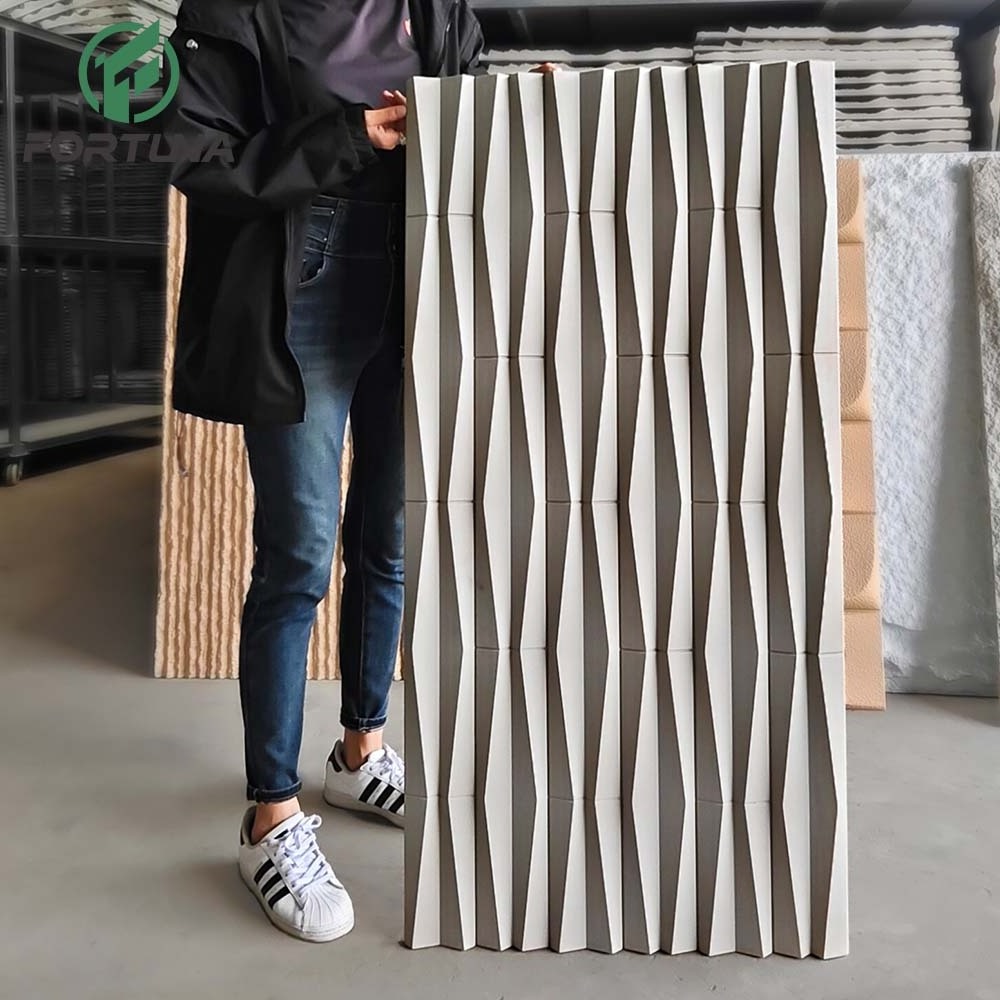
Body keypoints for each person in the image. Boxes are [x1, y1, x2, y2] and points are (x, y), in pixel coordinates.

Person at [162, 0, 484, 944]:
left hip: (419, 275)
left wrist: (522, 117)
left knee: (388, 535)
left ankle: (359, 752)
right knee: (298, 555)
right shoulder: (236, 9)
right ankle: (270, 815)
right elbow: (197, 155)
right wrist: (345, 136)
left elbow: (470, 120)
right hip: (302, 277)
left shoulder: (439, 7)